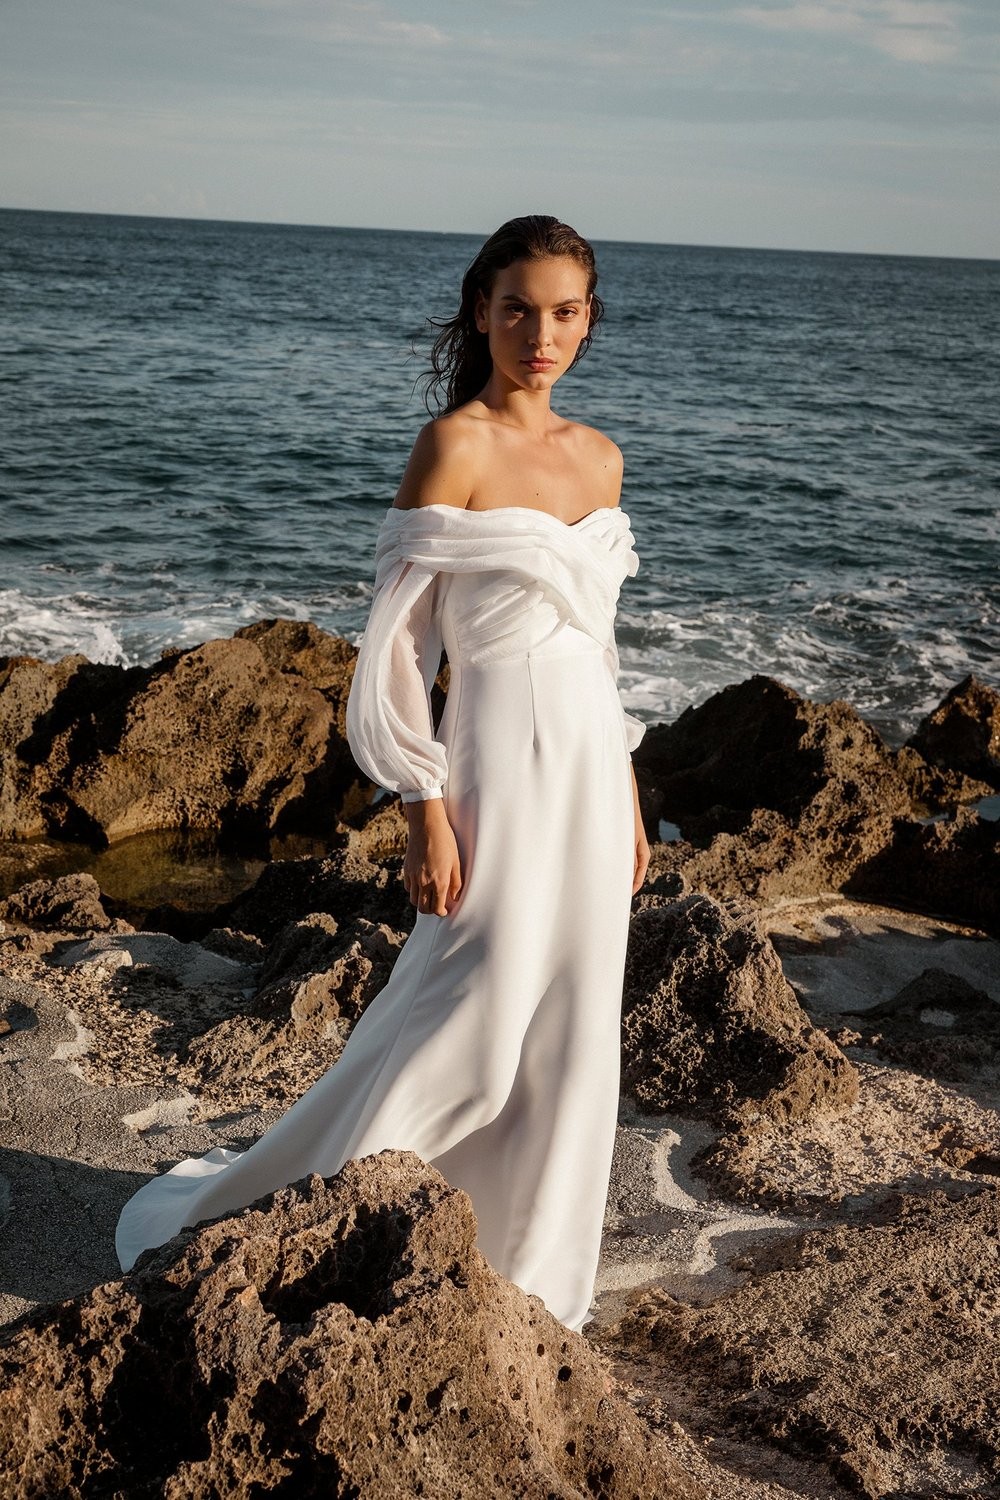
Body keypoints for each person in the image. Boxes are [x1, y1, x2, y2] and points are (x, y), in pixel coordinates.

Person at [115, 214, 649, 1334]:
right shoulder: (452, 444)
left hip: (593, 767)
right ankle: (340, 1207)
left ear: (588, 320)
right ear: (479, 312)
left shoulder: (598, 456)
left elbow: (601, 648)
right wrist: (424, 807)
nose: (539, 333)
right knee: (477, 986)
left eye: (563, 312)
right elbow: (402, 646)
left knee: (575, 1013)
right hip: (494, 755)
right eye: (516, 309)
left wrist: (636, 804)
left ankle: (533, 1276)